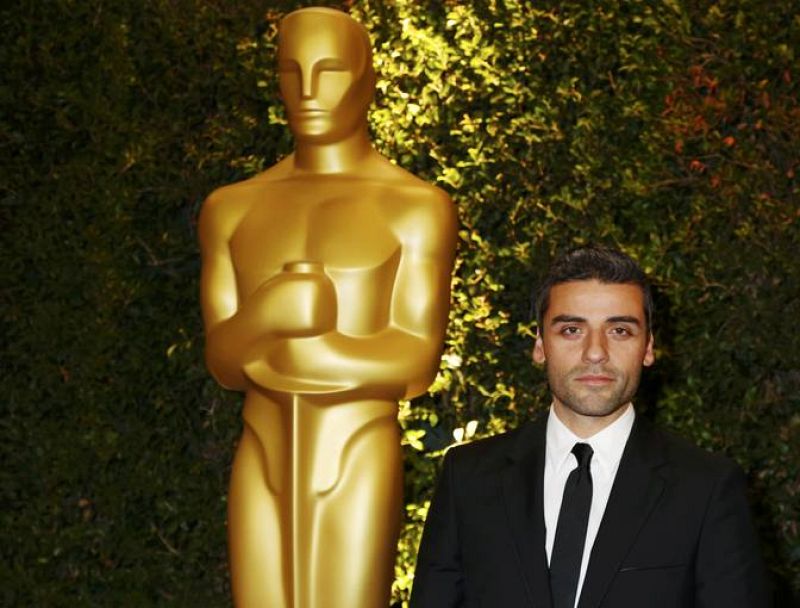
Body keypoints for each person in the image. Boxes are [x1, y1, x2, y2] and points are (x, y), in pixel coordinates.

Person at [199, 7, 456, 607]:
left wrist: (313, 347)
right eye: (292, 72)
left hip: (357, 445)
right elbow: (222, 360)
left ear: (367, 80)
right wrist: (269, 315)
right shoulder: (231, 208)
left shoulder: (415, 207)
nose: (309, 91)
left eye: (331, 70)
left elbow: (415, 363)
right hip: (260, 446)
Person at [410, 246, 769, 608]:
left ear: (648, 347)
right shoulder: (469, 477)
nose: (595, 352)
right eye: (571, 329)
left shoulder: (706, 488)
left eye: (619, 331)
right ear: (540, 345)